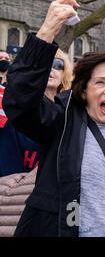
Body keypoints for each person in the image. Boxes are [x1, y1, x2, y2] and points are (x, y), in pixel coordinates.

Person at [3, 0, 105, 237]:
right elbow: (19, 99)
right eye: (100, 82)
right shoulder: (61, 120)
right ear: (83, 89)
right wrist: (49, 28)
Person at [0, 49, 73, 177]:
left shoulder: (71, 114)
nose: (50, 69)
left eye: (57, 65)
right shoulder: (17, 115)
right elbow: (9, 165)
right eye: (44, 64)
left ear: (64, 75)